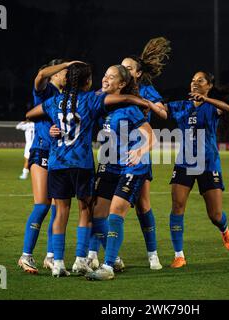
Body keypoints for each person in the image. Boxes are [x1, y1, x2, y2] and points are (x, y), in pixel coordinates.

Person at [26, 62, 153, 277]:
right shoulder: (91, 100)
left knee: (61, 212)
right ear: (88, 82)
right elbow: (120, 99)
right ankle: (80, 260)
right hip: (82, 164)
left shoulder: (54, 101)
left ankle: (57, 263)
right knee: (86, 211)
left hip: (57, 164)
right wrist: (141, 100)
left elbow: (30, 114)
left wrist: (51, 127)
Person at [87, 37, 171, 271]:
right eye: (120, 66)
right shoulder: (107, 95)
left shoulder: (142, 94)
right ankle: (94, 254)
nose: (123, 69)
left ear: (134, 75)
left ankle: (151, 254)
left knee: (142, 205)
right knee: (100, 209)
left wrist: (147, 105)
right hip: (110, 157)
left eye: (128, 68)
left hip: (134, 157)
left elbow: (160, 119)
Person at [85, 65, 156, 281]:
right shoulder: (102, 105)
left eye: (111, 77)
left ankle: (107, 267)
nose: (105, 79)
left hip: (132, 164)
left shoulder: (129, 109)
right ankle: (114, 257)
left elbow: (151, 136)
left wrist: (141, 150)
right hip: (110, 163)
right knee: (97, 214)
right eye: (104, 75)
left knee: (116, 212)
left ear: (122, 84)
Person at [163, 71, 229, 269]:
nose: (194, 83)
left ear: (209, 85)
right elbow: (161, 109)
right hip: (184, 162)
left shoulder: (211, 107)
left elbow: (227, 108)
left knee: (215, 215)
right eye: (192, 80)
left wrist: (206, 99)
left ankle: (224, 228)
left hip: (208, 163)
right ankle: (179, 255)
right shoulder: (181, 106)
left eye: (200, 80)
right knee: (177, 206)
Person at [18, 59, 80, 274]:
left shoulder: (67, 96)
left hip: (60, 155)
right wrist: (68, 63)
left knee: (58, 206)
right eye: (64, 71)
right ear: (54, 73)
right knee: (42, 204)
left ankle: (51, 256)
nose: (67, 74)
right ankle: (26, 256)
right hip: (42, 151)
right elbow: (40, 75)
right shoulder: (46, 91)